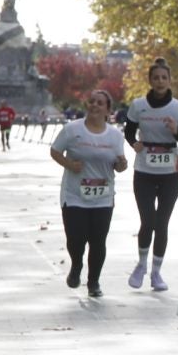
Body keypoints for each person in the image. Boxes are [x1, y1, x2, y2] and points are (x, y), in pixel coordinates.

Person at [49, 90, 128, 297]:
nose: (94, 105)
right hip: (74, 195)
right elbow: (55, 151)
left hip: (103, 196)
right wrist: (69, 164)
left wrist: (122, 164)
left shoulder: (115, 135)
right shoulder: (72, 130)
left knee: (98, 240)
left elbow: (119, 165)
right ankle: (76, 265)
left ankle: (94, 282)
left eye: (100, 103)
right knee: (76, 239)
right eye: (91, 101)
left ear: (108, 110)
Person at [124, 59, 178, 292]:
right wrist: (134, 143)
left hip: (170, 173)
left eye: (164, 77)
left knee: (161, 222)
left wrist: (176, 131)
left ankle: (156, 272)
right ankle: (141, 265)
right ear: (150, 81)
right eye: (156, 78)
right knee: (147, 221)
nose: (160, 81)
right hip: (144, 170)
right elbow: (128, 130)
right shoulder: (138, 105)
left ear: (169, 80)